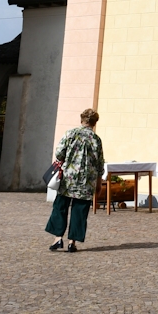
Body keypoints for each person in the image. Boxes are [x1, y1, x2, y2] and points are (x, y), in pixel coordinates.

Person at [45, 108, 104, 252]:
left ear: (81, 120)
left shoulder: (70, 134)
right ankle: (72, 242)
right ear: (94, 123)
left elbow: (59, 154)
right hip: (86, 181)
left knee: (60, 207)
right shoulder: (95, 139)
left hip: (68, 178)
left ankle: (58, 238)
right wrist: (98, 181)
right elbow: (99, 163)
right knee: (80, 210)